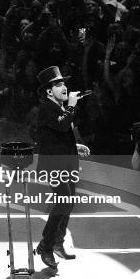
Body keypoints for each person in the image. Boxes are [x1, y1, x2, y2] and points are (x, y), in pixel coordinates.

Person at [34, 66, 90, 268]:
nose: (64, 86)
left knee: (68, 202)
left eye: (63, 82)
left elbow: (55, 135)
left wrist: (75, 145)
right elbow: (62, 125)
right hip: (54, 165)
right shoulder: (45, 108)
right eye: (58, 84)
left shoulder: (58, 108)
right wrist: (72, 107)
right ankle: (46, 246)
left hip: (66, 162)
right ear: (49, 91)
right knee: (64, 201)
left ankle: (57, 242)